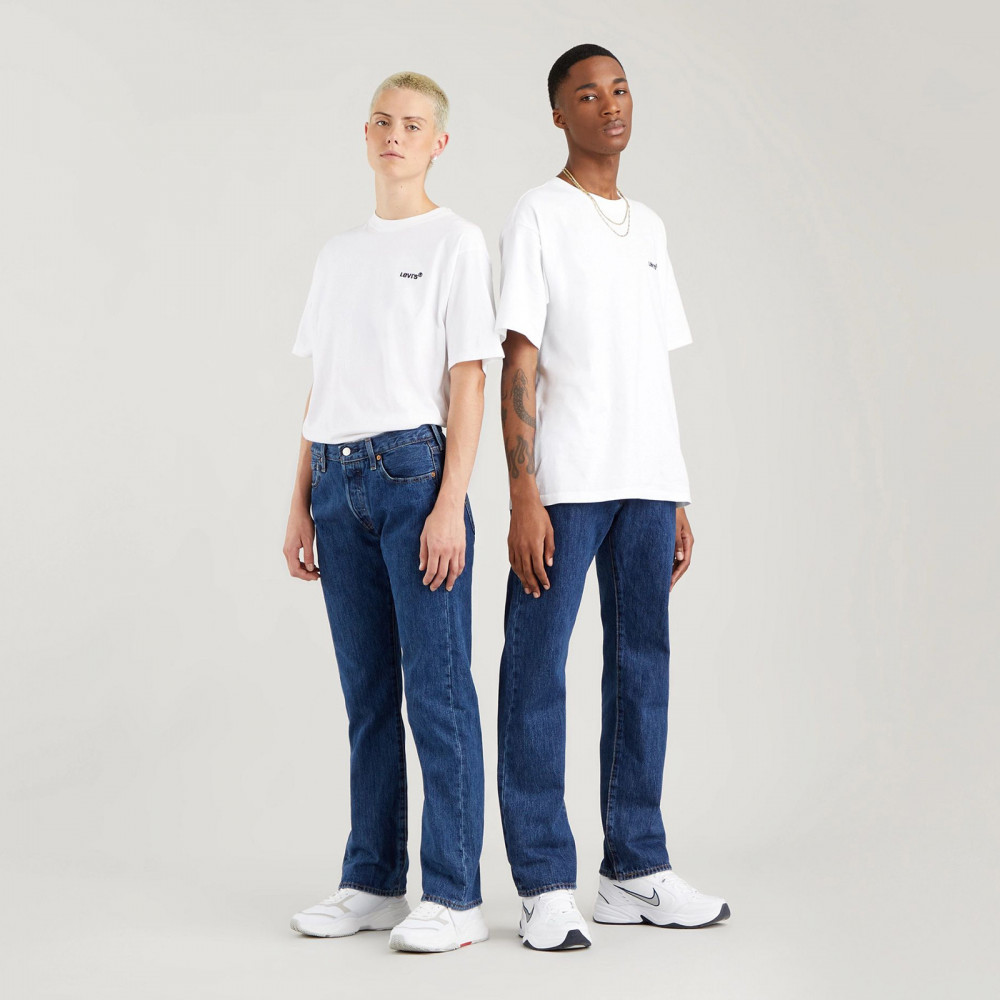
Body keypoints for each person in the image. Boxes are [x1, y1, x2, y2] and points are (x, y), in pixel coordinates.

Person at [494, 44, 730, 951]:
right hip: (565, 485)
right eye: (587, 95)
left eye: (620, 89)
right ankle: (543, 883)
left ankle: (634, 867)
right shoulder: (538, 213)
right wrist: (523, 492)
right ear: (559, 115)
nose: (610, 105)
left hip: (647, 481)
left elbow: (648, 372)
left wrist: (677, 491)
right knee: (536, 673)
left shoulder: (652, 227)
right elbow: (520, 358)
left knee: (642, 670)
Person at [282, 71, 502, 953]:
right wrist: (298, 501)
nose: (394, 135)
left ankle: (454, 894)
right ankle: (372, 879)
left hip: (416, 477)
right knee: (368, 696)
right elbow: (322, 384)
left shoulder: (457, 241)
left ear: (438, 142)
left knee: (437, 693)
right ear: (365, 134)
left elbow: (467, 378)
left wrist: (451, 503)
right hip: (336, 480)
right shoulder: (338, 255)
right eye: (382, 121)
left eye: (412, 124)